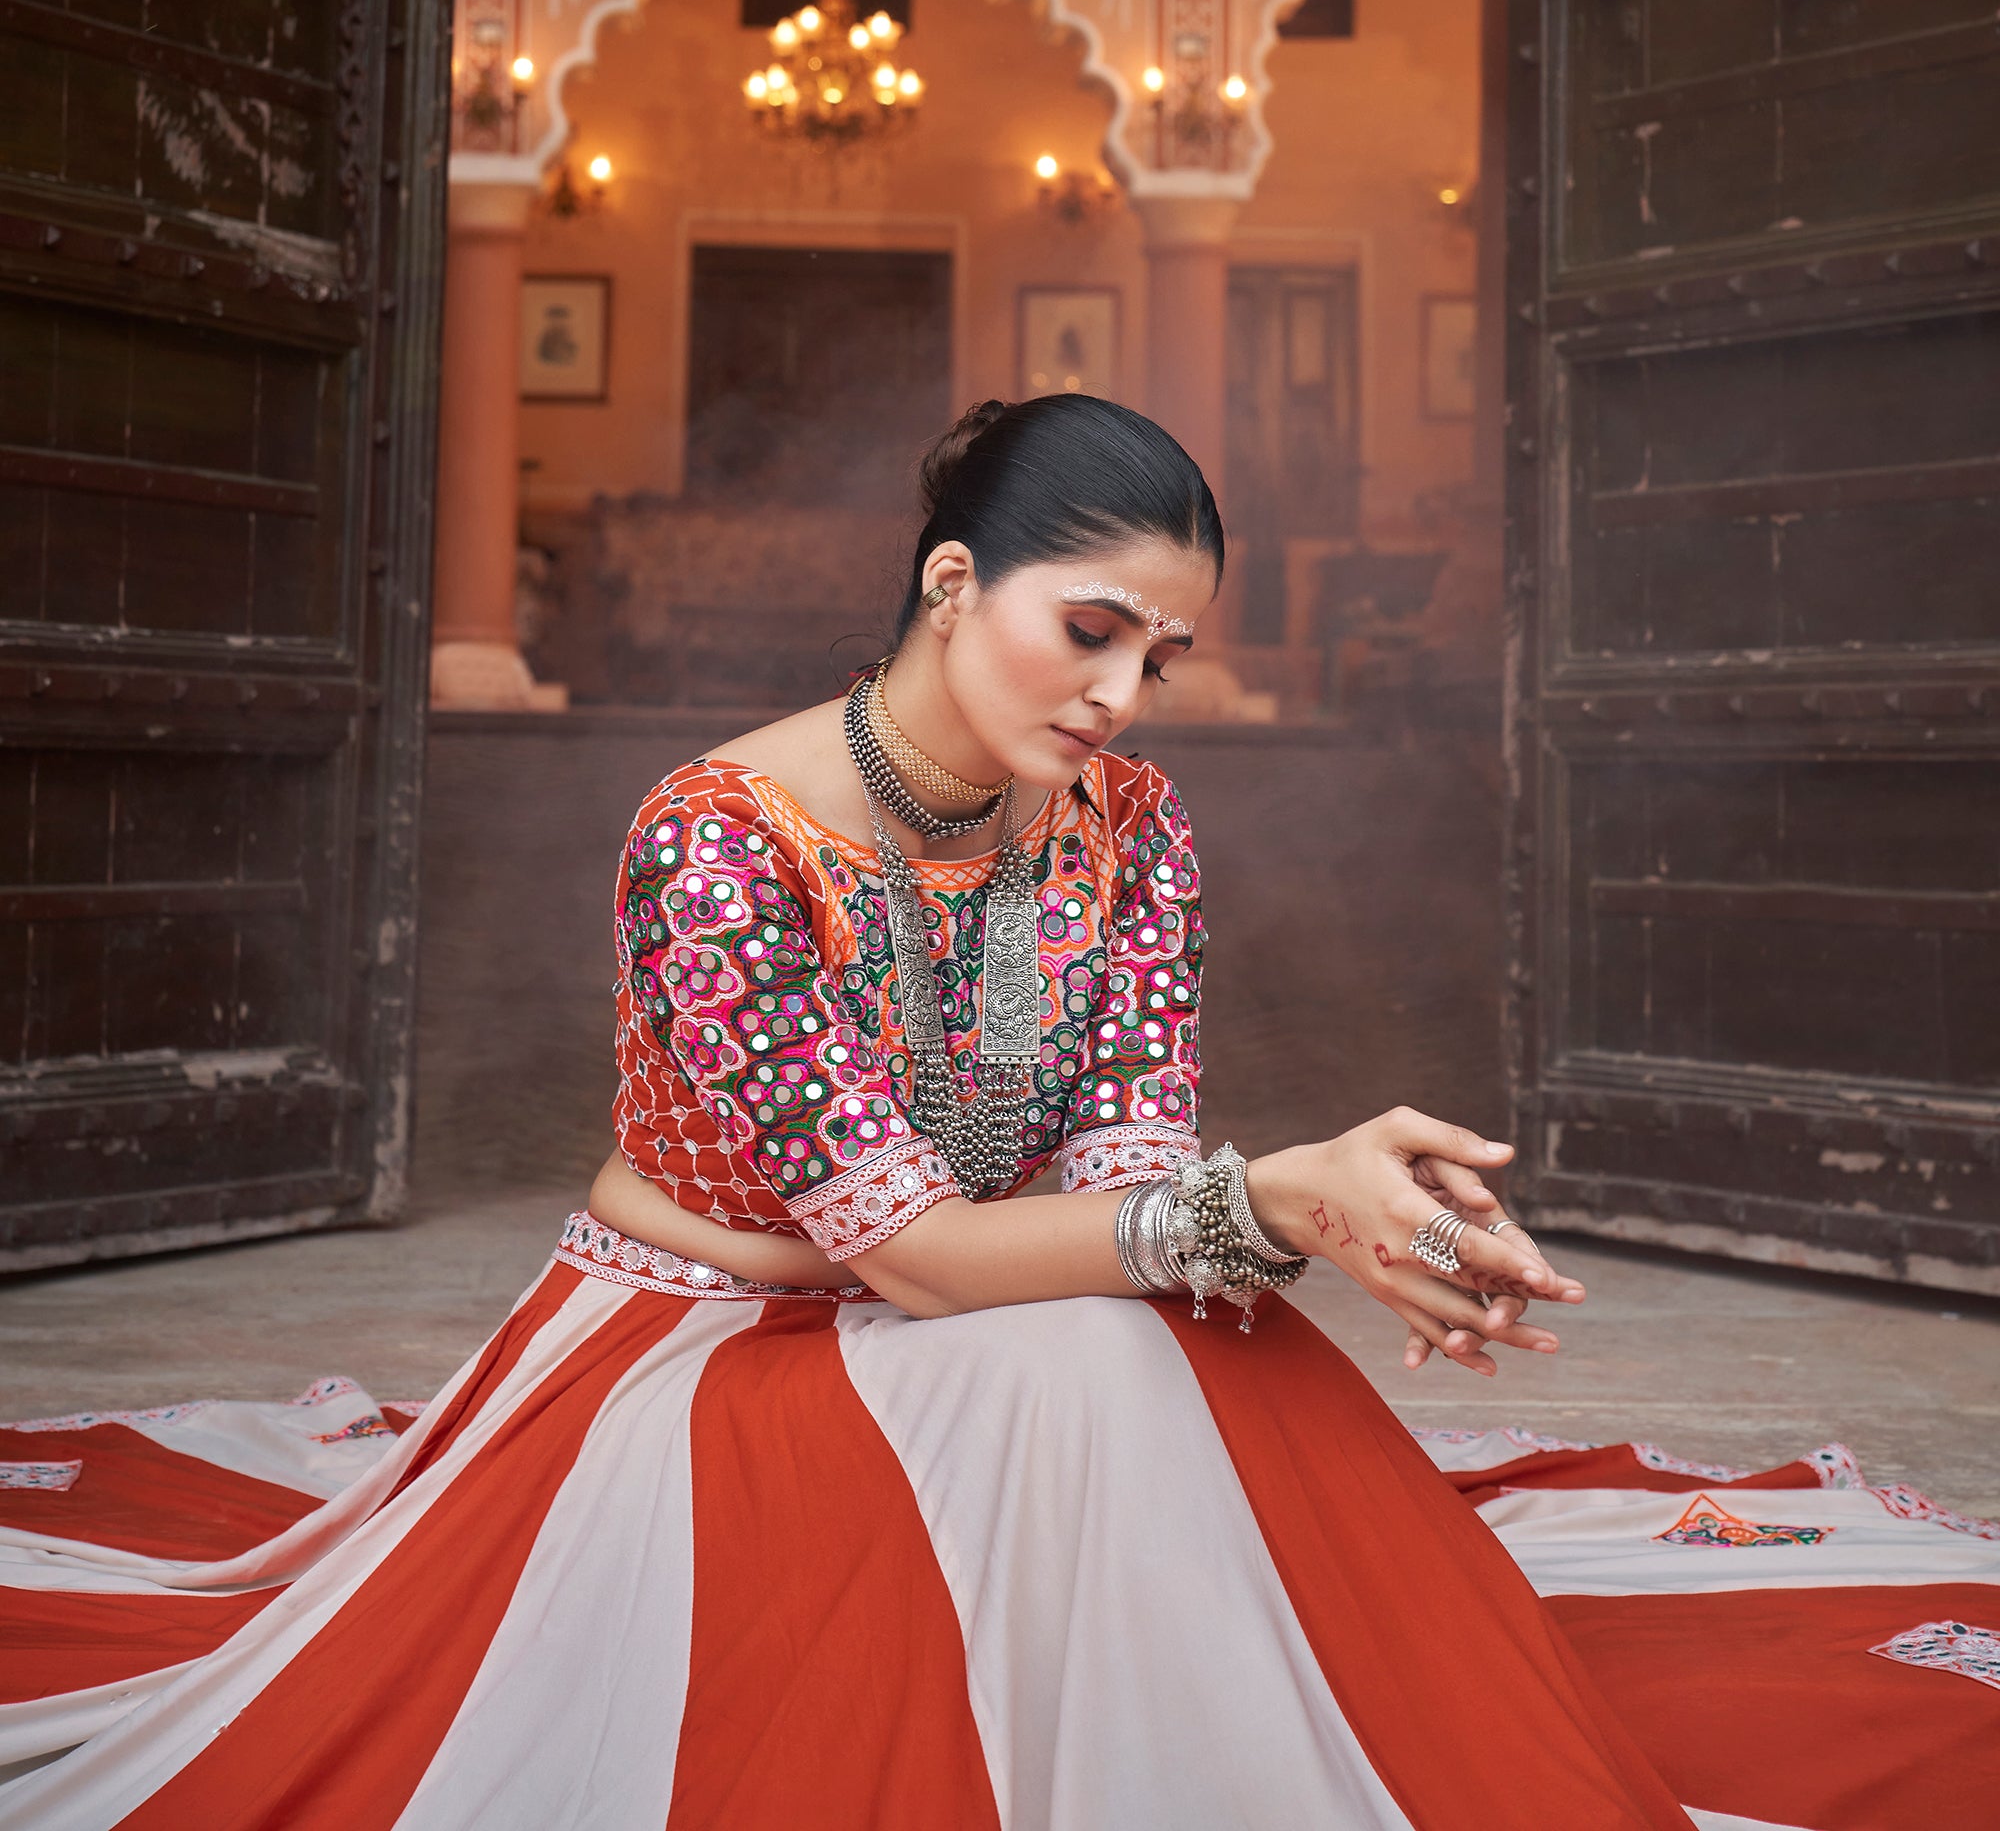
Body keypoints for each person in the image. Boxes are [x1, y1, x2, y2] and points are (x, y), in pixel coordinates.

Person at [0, 400, 1703, 1823]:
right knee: (1123, 1353)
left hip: (1000, 1303)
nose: (1117, 694)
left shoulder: (1135, 827)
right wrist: (1271, 1204)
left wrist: (1322, 1222)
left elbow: (1119, 1168)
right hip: (705, 1338)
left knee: (1191, 1359)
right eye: (1088, 628)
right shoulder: (721, 837)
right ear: (954, 582)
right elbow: (910, 1254)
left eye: (1160, 658)